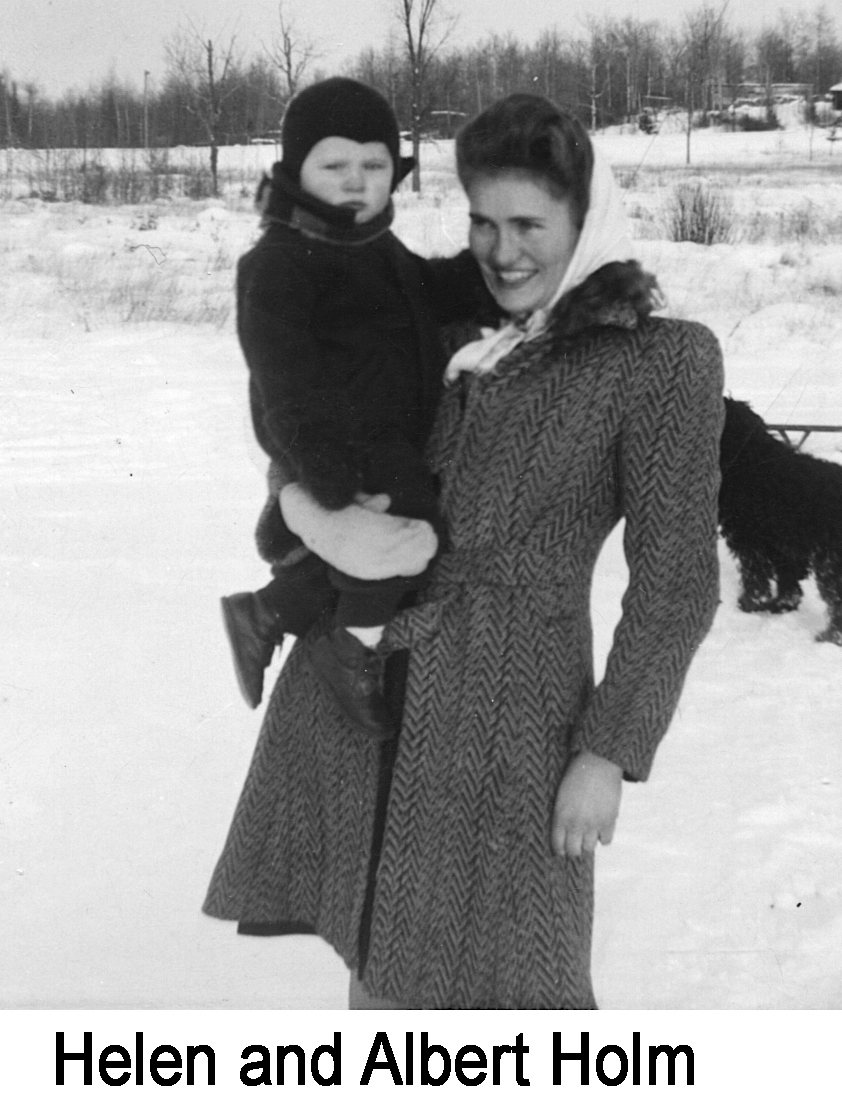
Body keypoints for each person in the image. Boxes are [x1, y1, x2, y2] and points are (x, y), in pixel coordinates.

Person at [204, 93, 724, 1009]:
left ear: (585, 216)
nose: (501, 249)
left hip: (511, 722)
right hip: (368, 692)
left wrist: (607, 753)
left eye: (529, 223)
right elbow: (324, 425)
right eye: (483, 221)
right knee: (382, 974)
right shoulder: (456, 331)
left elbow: (677, 583)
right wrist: (305, 504)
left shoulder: (658, 360)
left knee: (519, 988)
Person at [221, 77, 486, 739]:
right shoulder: (278, 262)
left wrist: (478, 281)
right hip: (337, 438)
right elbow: (280, 371)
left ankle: (268, 612)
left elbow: (424, 292)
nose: (356, 181)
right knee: (413, 534)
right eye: (334, 165)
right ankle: (354, 649)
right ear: (296, 171)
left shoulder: (375, 246)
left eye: (373, 166)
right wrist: (318, 451)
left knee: (371, 541)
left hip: (381, 431)